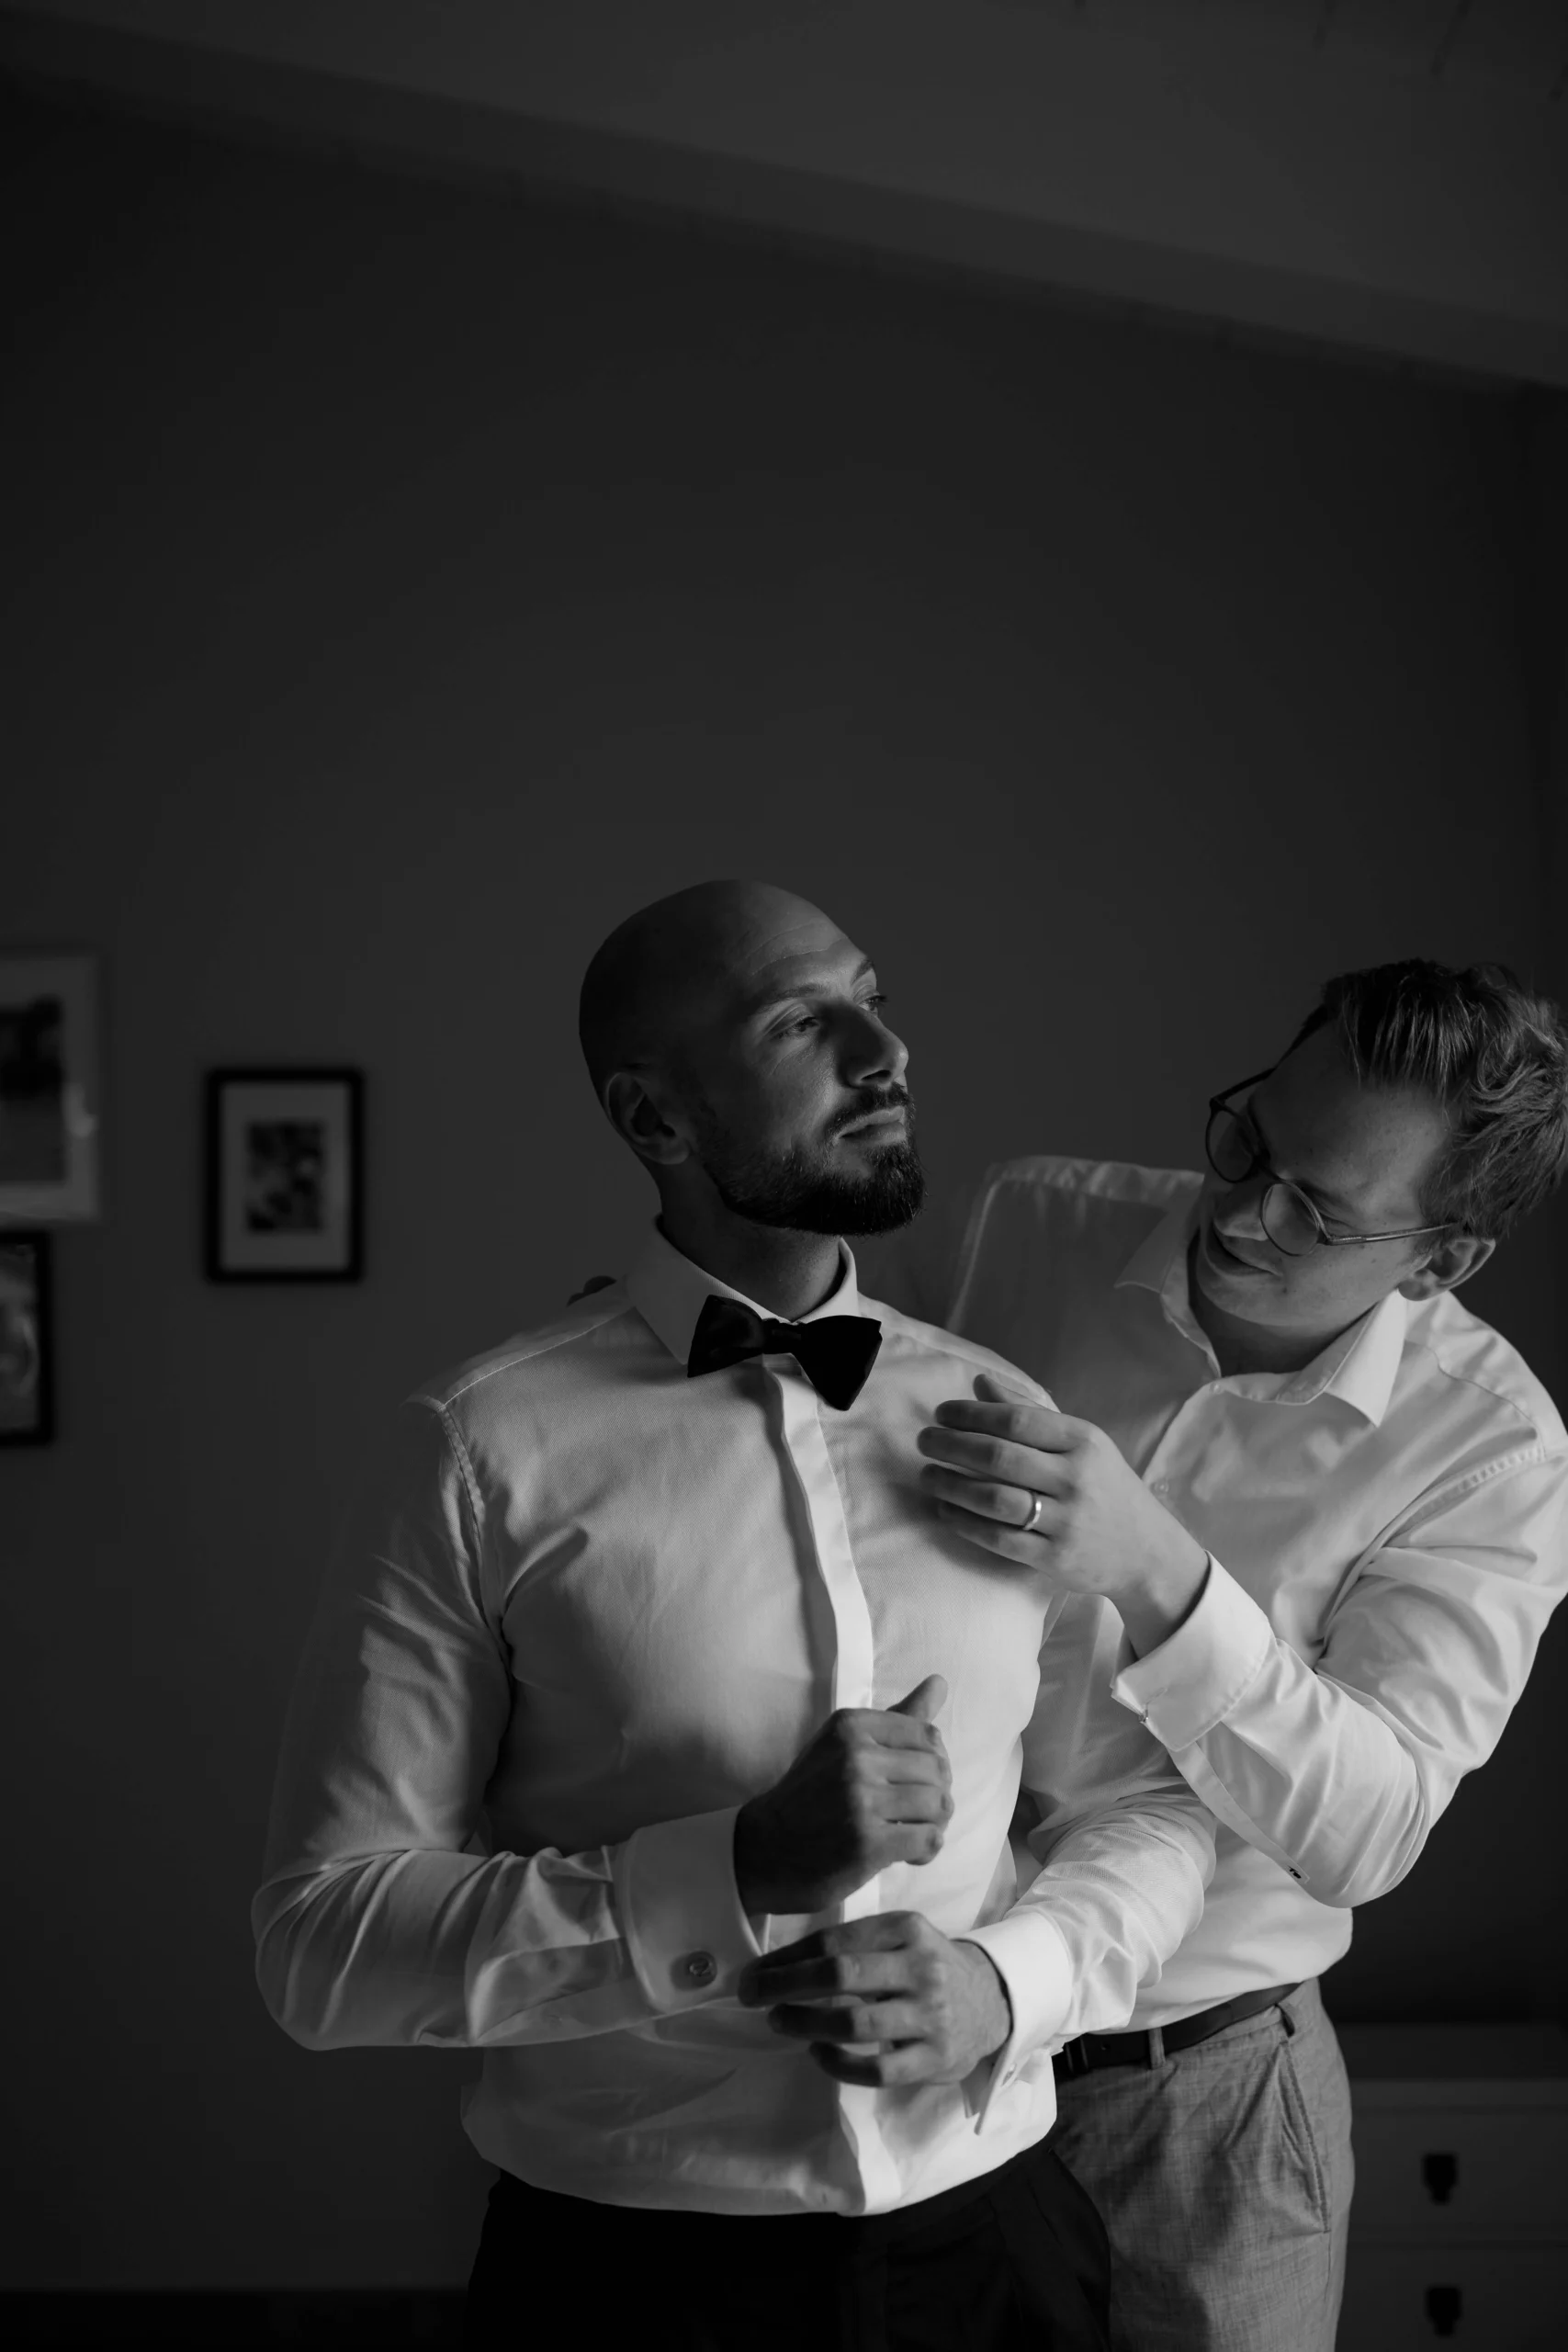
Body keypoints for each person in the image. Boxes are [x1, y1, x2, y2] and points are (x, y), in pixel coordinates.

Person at [252, 879, 1216, 2352]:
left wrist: (1000, 1981)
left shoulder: (1001, 1414)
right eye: (799, 1022)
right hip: (635, 2282)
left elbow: (1144, 1812)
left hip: (1002, 2245)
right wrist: (736, 1868)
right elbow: (322, 1947)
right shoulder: (475, 1449)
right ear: (656, 1122)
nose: (883, 1050)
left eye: (874, 996)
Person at [874, 958, 1568, 2352]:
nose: (1244, 1211)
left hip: (1206, 2104)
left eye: (1317, 1210)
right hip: (920, 2043)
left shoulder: (1493, 1453)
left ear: (1437, 1259)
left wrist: (1154, 1569)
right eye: (1249, 1137)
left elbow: (1368, 1828)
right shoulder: (1018, 1223)